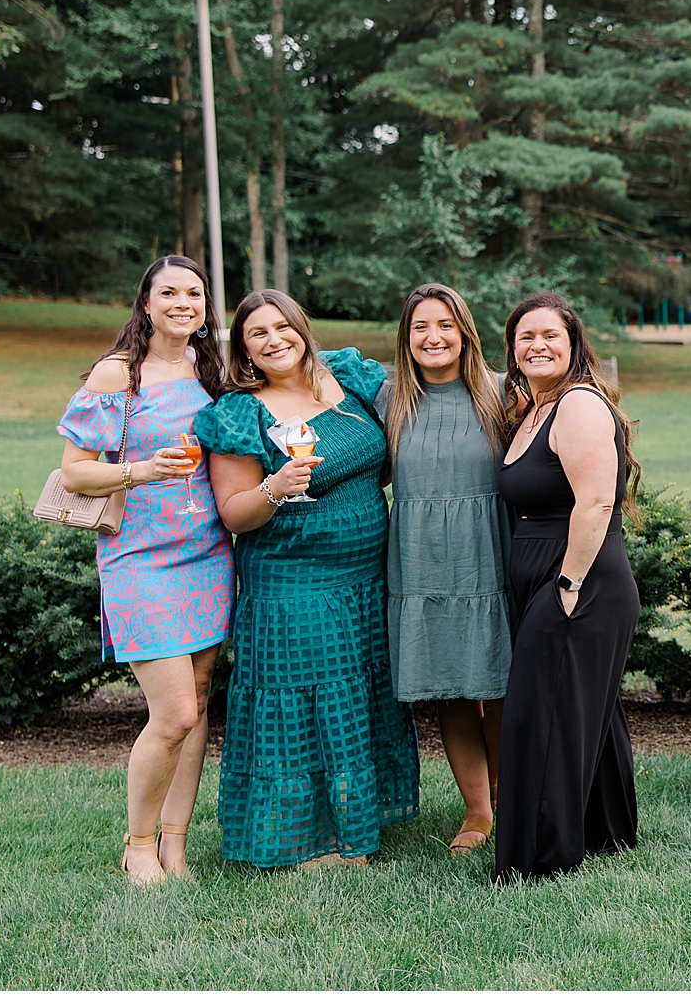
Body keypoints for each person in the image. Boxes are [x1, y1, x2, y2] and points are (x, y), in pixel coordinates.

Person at [195, 288, 419, 868]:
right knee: (303, 703)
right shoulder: (242, 412)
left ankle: (355, 820)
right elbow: (234, 512)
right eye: (257, 334)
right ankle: (305, 839)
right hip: (292, 583)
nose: (274, 340)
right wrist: (275, 488)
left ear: (301, 327)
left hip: (367, 577)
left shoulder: (347, 378)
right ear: (244, 349)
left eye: (282, 327)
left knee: (356, 698)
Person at [57, 255, 234, 885]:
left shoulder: (208, 368)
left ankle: (175, 844)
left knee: (201, 701)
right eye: (170, 292)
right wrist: (140, 471)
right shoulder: (118, 373)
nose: (184, 302)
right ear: (147, 303)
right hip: (140, 559)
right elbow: (76, 469)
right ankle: (137, 844)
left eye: (195, 293)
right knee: (176, 713)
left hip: (209, 555)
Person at [494, 293, 641, 881]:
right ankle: (605, 831)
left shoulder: (578, 404)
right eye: (524, 337)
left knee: (542, 713)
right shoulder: (531, 408)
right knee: (583, 711)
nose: (537, 345)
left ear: (574, 344)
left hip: (581, 576)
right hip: (549, 574)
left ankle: (542, 857)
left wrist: (569, 582)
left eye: (550, 335)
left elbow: (598, 500)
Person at [377, 283, 512, 856]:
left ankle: (512, 800)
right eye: (420, 328)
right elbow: (310, 361)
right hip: (423, 562)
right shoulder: (387, 401)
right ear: (405, 340)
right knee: (452, 691)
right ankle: (478, 813)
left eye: (445, 325)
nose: (433, 338)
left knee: (502, 687)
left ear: (465, 334)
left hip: (492, 554)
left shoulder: (503, 395)